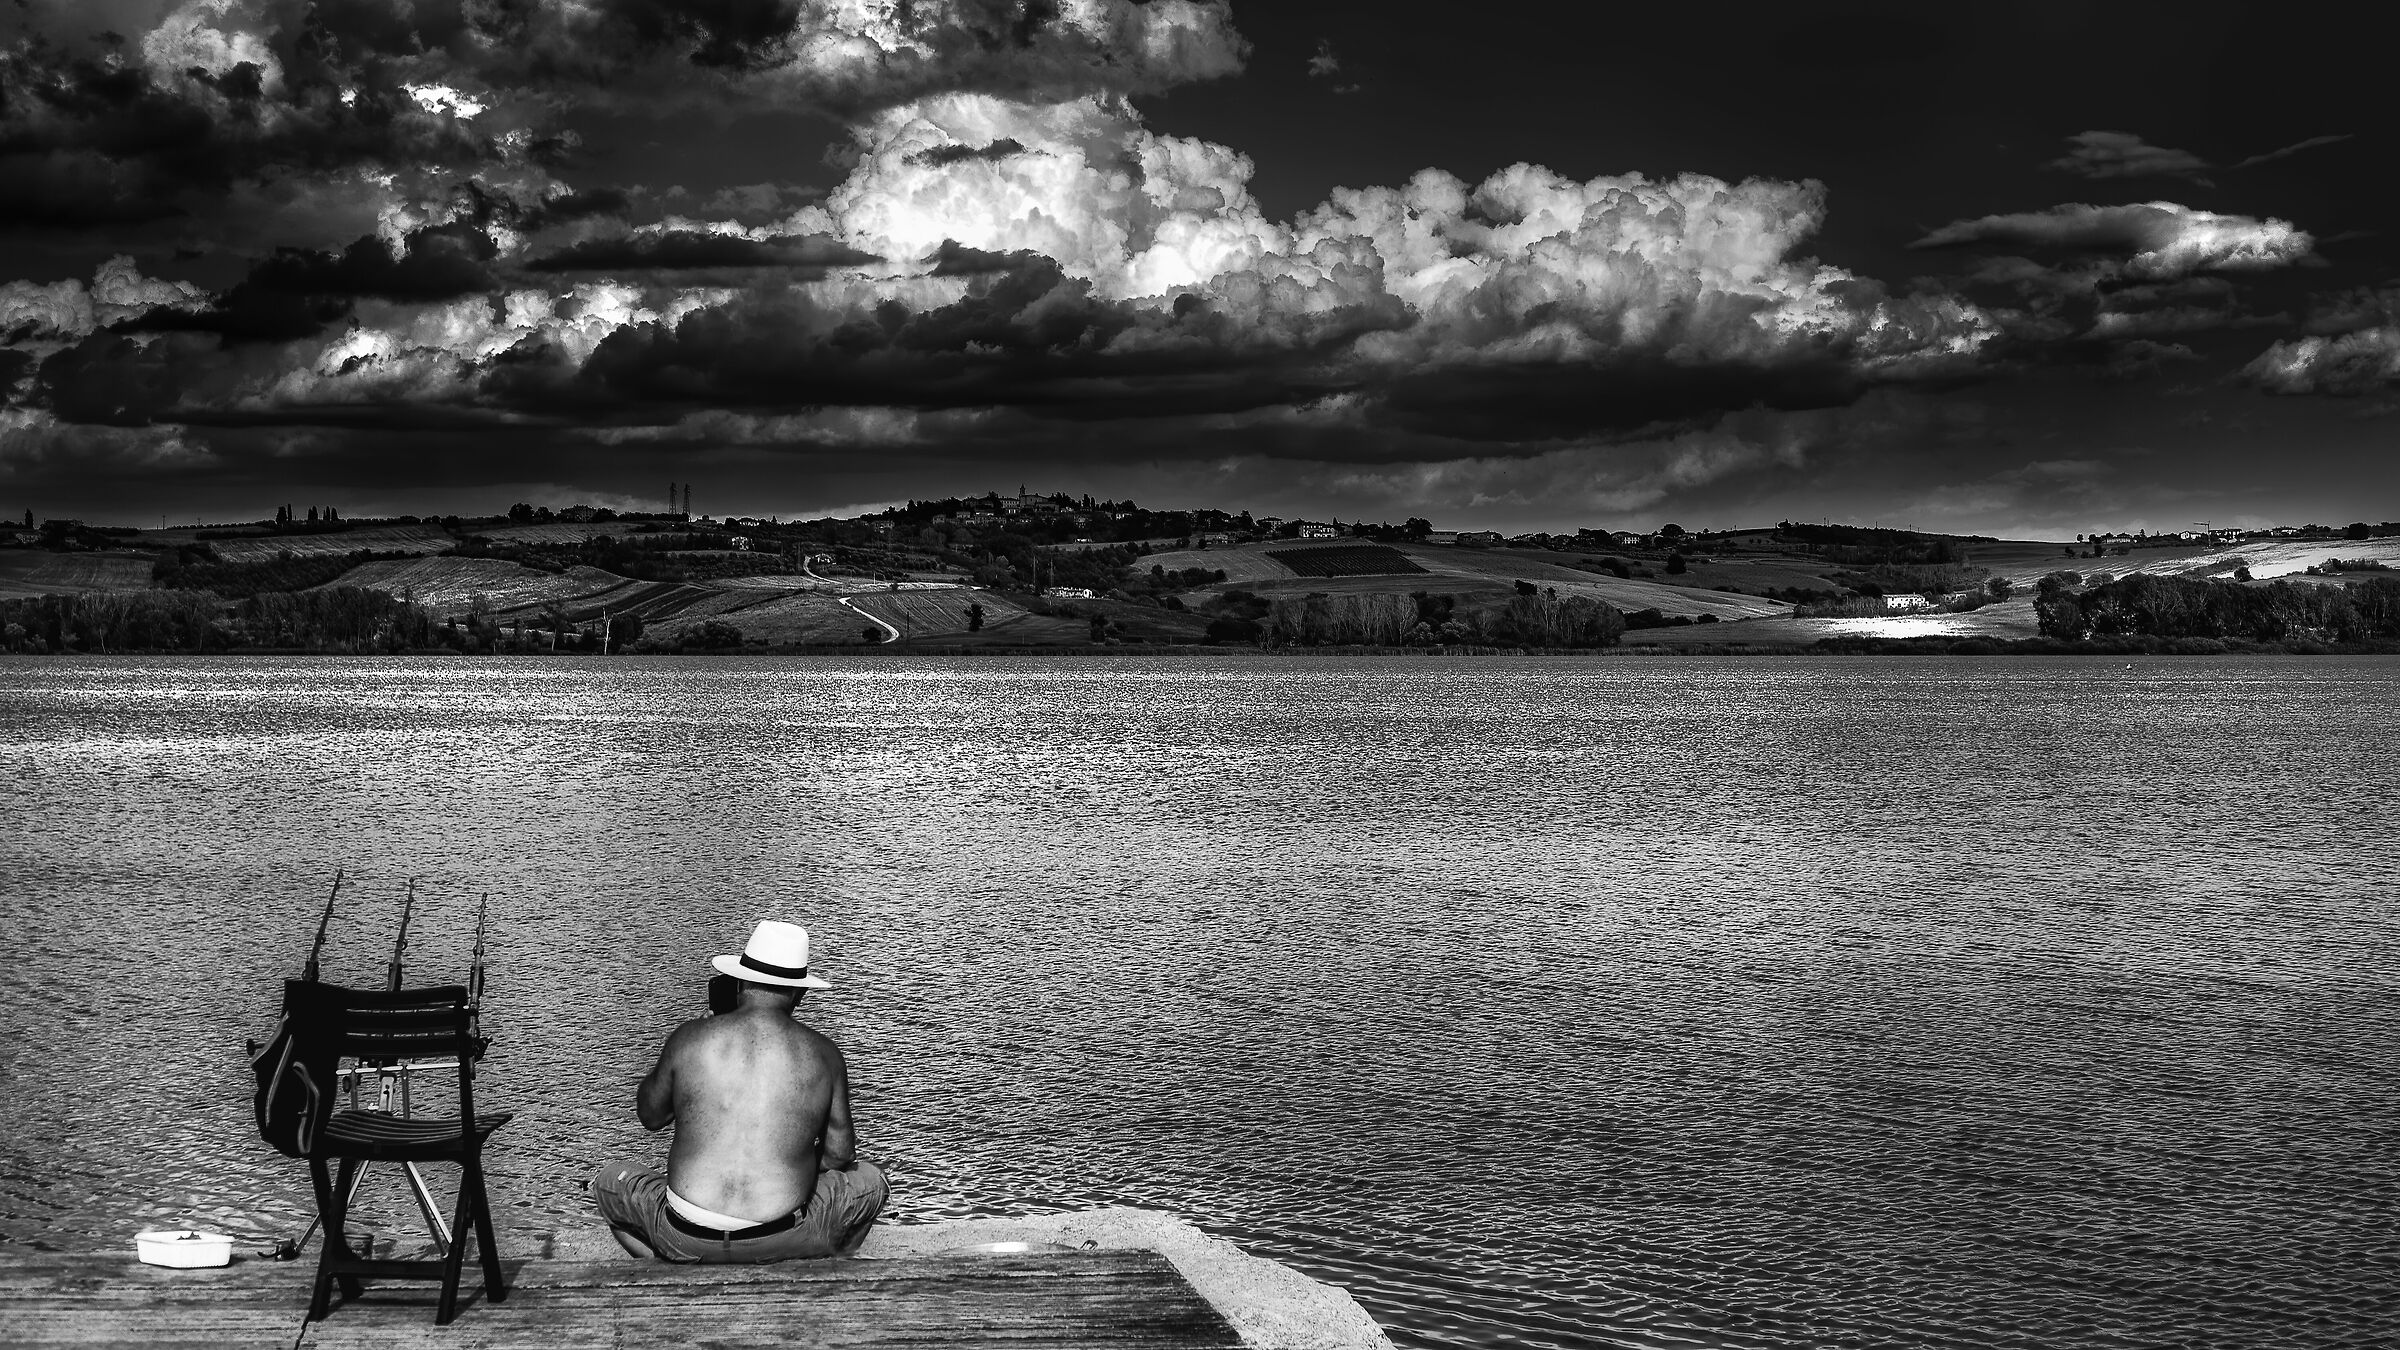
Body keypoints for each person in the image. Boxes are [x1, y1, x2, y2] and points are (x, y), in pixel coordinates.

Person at [590, 920, 888, 1261]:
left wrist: (685, 1050)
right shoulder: (824, 1053)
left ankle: (664, 1265)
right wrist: (792, 1161)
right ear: (799, 993)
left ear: (739, 981)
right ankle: (822, 1265)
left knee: (610, 1183)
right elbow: (840, 1154)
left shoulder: (691, 1037)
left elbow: (650, 1116)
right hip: (780, 1236)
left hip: (685, 1234)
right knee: (871, 1181)